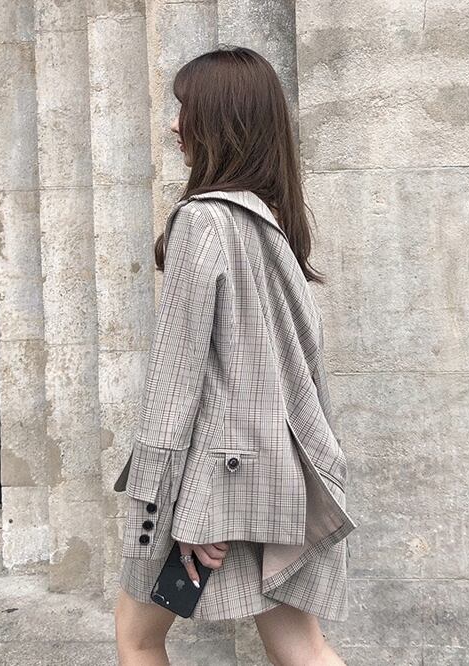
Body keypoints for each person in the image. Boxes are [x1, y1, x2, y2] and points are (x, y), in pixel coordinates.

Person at [112, 46, 357, 665]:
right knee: (301, 647)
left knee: (137, 637)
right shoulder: (270, 223)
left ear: (220, 120)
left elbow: (178, 383)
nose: (173, 124)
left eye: (184, 109)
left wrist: (181, 509)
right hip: (277, 477)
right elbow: (278, 378)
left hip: (214, 483)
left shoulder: (202, 221)